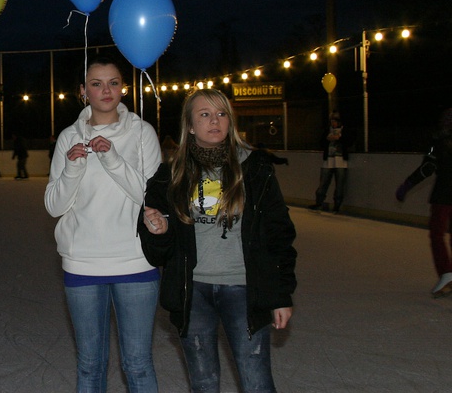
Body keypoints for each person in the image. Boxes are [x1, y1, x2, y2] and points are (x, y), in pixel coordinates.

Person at [139, 88, 297, 393]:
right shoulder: (169, 175)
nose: (215, 121)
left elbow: (279, 233)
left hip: (244, 288)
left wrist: (280, 295)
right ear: (189, 125)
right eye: (205, 114)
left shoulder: (256, 168)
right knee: (204, 384)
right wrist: (158, 230)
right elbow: (159, 251)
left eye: (222, 114)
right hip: (193, 291)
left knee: (257, 382)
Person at [44, 55, 162, 392]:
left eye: (112, 82)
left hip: (135, 260)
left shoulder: (142, 133)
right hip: (82, 264)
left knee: (138, 364)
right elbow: (54, 206)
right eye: (96, 83)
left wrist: (112, 157)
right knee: (90, 365)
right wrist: (72, 169)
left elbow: (152, 197)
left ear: (123, 88)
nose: (105, 90)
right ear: (84, 91)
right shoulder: (69, 137)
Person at [396, 107, 452, 298]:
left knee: (437, 235)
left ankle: (447, 273)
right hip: (443, 194)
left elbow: (427, 167)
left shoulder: (437, 141)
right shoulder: (437, 141)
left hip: (443, 195)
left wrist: (407, 184)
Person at [308, 112, 352, 213]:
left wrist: (340, 138)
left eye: (335, 122)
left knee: (339, 185)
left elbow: (349, 142)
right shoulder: (327, 131)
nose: (333, 124)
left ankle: (337, 206)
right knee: (323, 183)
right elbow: (320, 143)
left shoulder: (345, 131)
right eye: (332, 122)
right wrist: (327, 139)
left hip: (341, 162)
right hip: (328, 161)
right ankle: (319, 202)